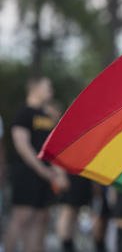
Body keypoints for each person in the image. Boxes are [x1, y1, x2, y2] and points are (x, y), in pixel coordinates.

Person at [3, 76, 69, 252]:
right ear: (35, 89)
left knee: (41, 219)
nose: (51, 90)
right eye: (47, 86)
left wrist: (59, 174)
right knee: (22, 217)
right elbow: (23, 147)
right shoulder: (23, 114)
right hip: (27, 174)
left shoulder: (47, 116)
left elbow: (52, 148)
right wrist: (44, 172)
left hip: (46, 177)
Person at [47, 100, 93, 252]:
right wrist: (60, 175)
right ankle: (64, 244)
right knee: (67, 211)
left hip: (78, 175)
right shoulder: (58, 130)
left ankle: (69, 241)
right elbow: (54, 155)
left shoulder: (75, 127)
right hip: (67, 175)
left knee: (74, 210)